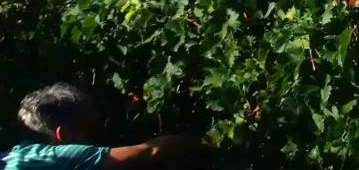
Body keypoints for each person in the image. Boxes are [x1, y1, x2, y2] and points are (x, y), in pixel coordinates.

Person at [1, 82, 207, 168]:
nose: (92, 139)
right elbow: (151, 151)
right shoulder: (58, 157)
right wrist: (210, 138)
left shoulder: (12, 156)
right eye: (88, 130)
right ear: (62, 135)